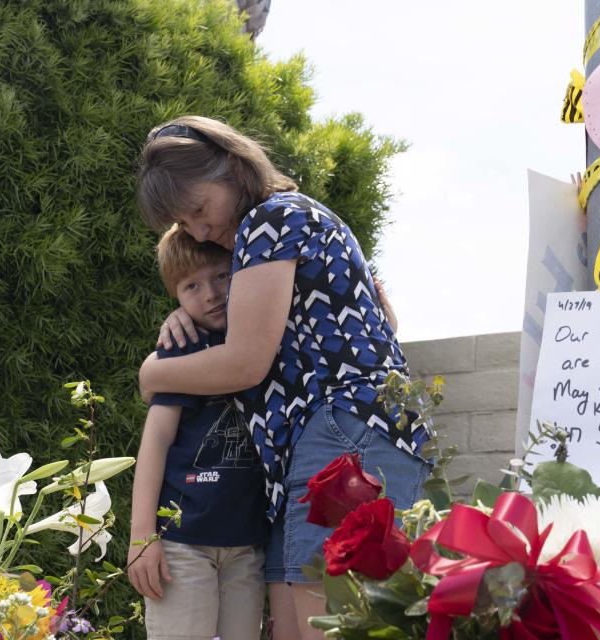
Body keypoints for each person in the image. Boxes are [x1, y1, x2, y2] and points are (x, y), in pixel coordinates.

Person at [136, 116, 432, 640]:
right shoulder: (299, 219)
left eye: (200, 210)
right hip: (328, 444)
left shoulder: (270, 220)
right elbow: (377, 325)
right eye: (187, 225)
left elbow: (244, 361)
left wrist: (153, 373)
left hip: (342, 437)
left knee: (332, 628)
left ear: (231, 164)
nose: (201, 231)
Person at [128, 225, 267, 640]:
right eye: (191, 286)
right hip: (182, 542)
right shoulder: (182, 347)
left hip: (247, 544)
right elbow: (155, 443)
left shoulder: (265, 335)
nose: (210, 293)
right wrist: (141, 539)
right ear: (175, 296)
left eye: (222, 276)